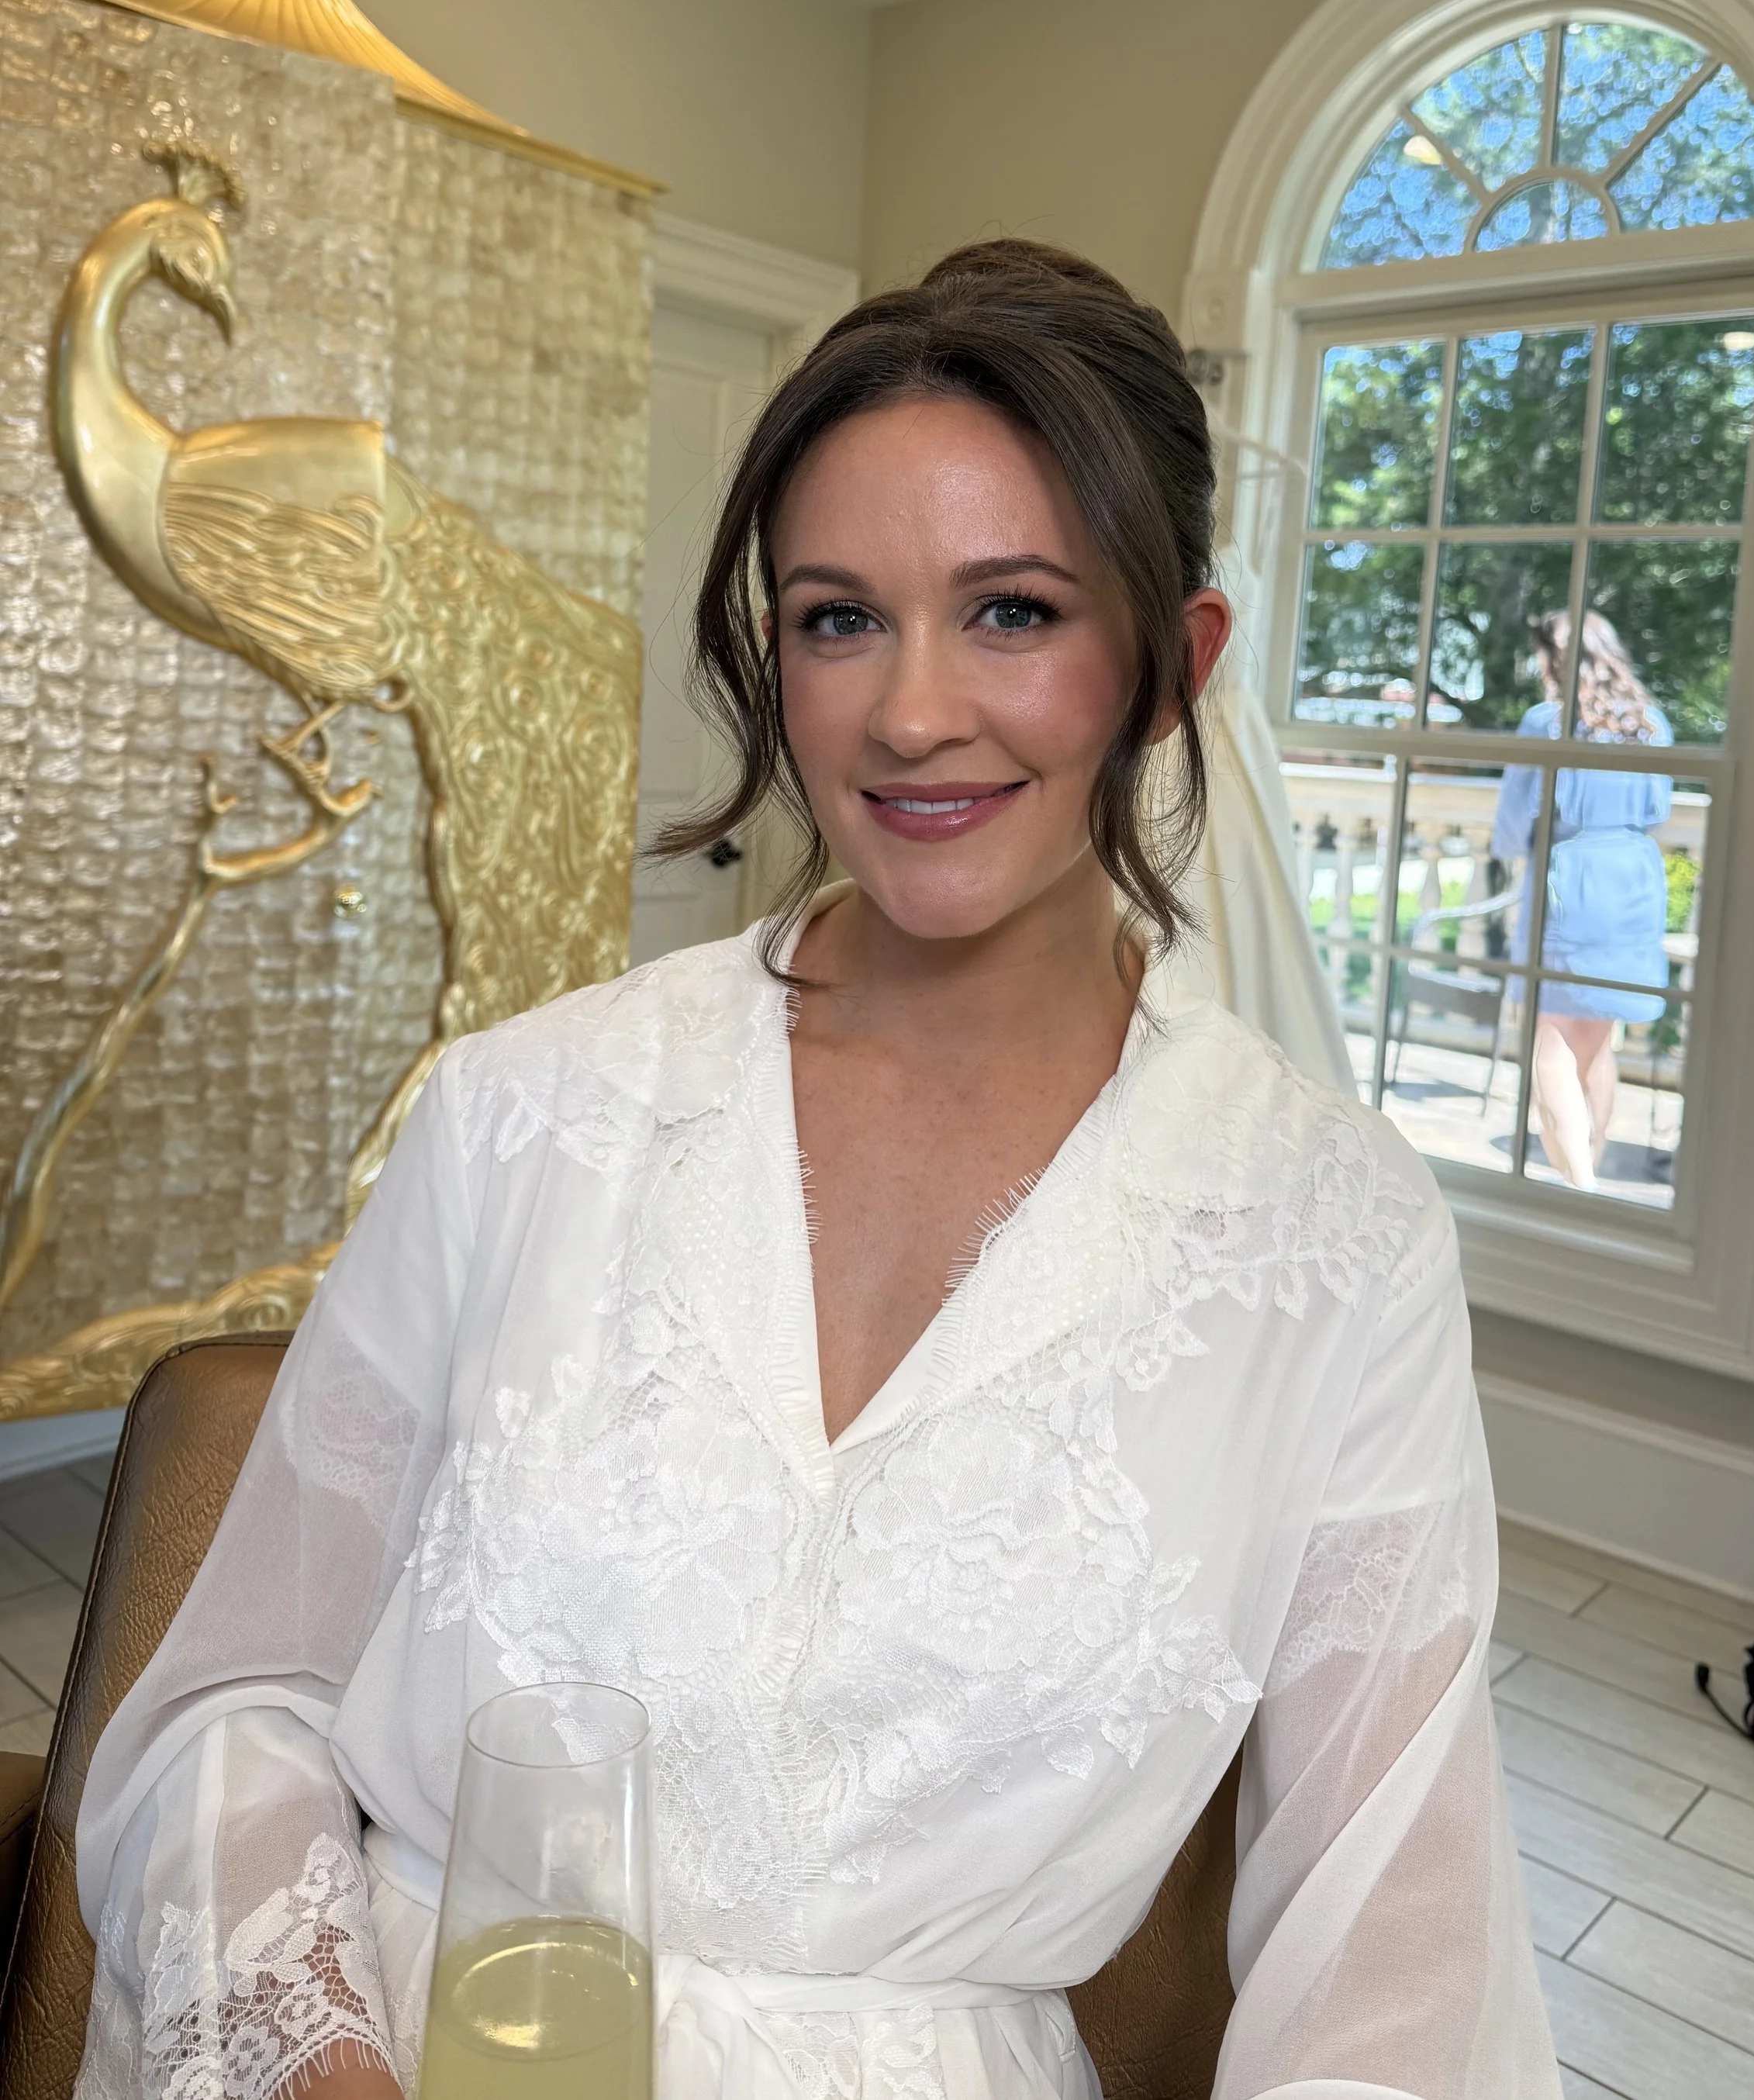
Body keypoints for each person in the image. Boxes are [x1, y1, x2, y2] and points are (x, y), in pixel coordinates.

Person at [74, 242, 1558, 2100]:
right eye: (839, 618)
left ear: (1170, 667)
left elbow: (1393, 1958)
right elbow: (236, 1704)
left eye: (1011, 611)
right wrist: (320, 2066)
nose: (910, 712)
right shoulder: (522, 1116)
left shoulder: (1334, 1243)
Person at [1490, 611, 1673, 1190]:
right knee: (1596, 1046)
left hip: (1570, 881)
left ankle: (1580, 1184)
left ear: (1555, 659)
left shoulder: (1547, 722)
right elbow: (1658, 810)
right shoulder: (1650, 723)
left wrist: (1518, 848)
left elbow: (1513, 823)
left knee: (1550, 1044)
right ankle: (1587, 1171)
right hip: (1633, 884)